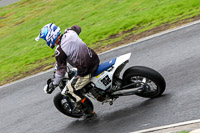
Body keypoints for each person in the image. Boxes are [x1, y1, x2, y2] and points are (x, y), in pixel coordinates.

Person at [35, 23, 100, 121]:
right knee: (75, 75)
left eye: (45, 39)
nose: (46, 42)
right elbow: (79, 27)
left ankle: (90, 113)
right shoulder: (70, 32)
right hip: (94, 59)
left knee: (70, 90)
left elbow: (61, 71)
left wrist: (53, 84)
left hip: (86, 70)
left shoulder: (60, 51)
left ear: (50, 37)